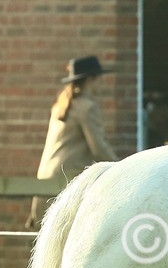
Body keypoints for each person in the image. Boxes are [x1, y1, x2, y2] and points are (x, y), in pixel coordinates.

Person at [30, 55, 120, 228]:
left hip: (46, 181)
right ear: (92, 79)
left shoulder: (63, 104)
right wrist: (121, 169)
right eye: (99, 78)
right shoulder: (87, 107)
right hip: (66, 182)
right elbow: (99, 149)